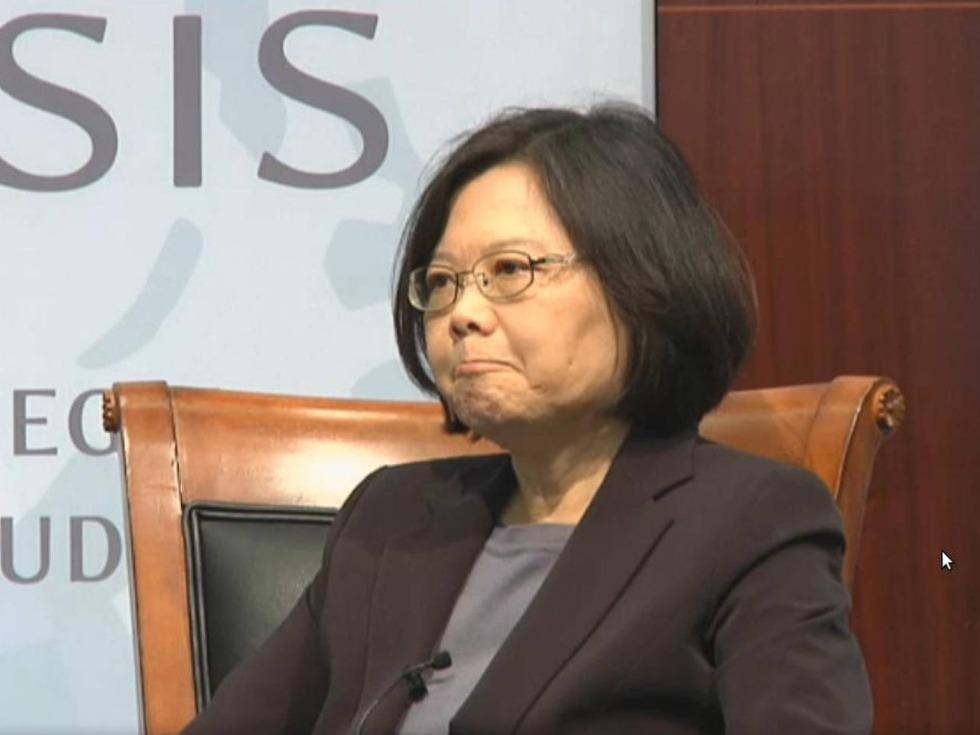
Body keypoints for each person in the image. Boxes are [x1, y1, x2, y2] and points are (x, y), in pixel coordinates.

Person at [183, 103, 873, 734]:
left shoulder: (752, 523)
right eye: (443, 282)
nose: (463, 314)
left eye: (510, 270)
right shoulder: (388, 516)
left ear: (642, 283)